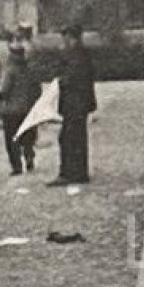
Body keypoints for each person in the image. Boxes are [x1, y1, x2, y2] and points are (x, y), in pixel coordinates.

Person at [51, 23, 96, 185]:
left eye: (67, 37)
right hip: (79, 104)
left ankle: (70, 173)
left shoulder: (76, 56)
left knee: (70, 138)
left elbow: (70, 78)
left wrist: (59, 81)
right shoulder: (81, 54)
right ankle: (78, 172)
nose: (65, 41)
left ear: (72, 38)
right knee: (76, 138)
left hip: (75, 104)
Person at [0, 32, 39, 175]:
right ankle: (29, 156)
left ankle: (17, 166)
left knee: (12, 139)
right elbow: (37, 90)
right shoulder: (30, 70)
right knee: (28, 137)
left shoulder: (10, 70)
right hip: (27, 109)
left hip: (11, 111)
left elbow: (4, 89)